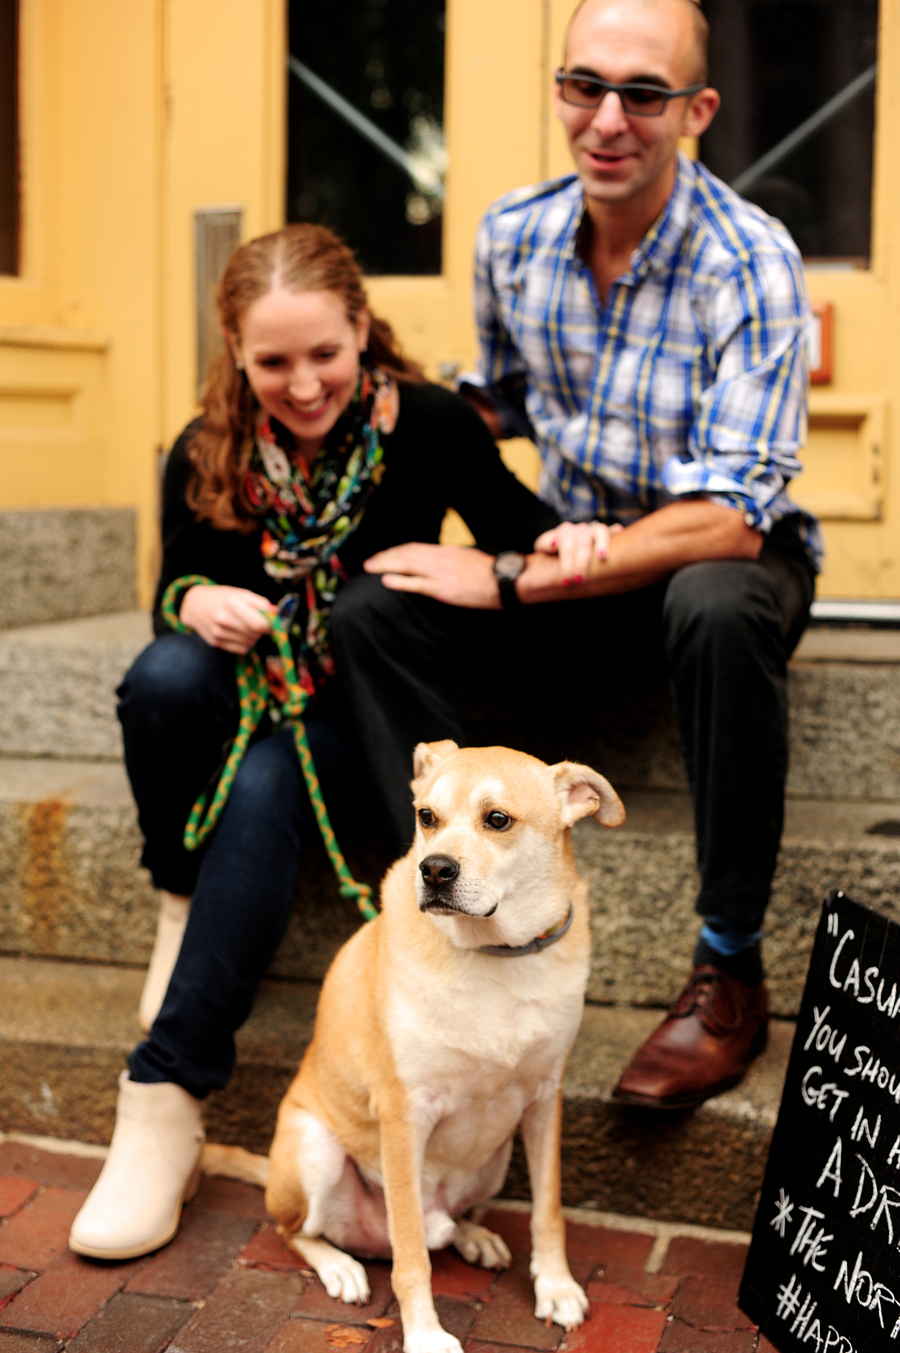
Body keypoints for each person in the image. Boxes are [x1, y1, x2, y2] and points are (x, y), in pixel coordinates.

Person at [332, 0, 821, 1111]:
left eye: (643, 94)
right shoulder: (512, 233)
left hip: (710, 569)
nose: (607, 119)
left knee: (714, 601)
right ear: (558, 90)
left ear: (695, 110)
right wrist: (355, 395)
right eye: (582, 86)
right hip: (574, 553)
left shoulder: (749, 260)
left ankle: (728, 968)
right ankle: (423, 903)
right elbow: (493, 402)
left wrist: (514, 576)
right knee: (372, 612)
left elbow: (736, 513)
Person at [68, 222, 558, 1260]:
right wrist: (196, 602)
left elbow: (528, 532)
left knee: (266, 781)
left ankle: (164, 1092)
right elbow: (169, 590)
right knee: (167, 675)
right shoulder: (205, 449)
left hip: (363, 732)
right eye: (273, 362)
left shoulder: (428, 424)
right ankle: (178, 901)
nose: (301, 384)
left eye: (324, 354)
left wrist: (518, 563)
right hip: (245, 704)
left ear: (362, 330)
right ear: (236, 356)